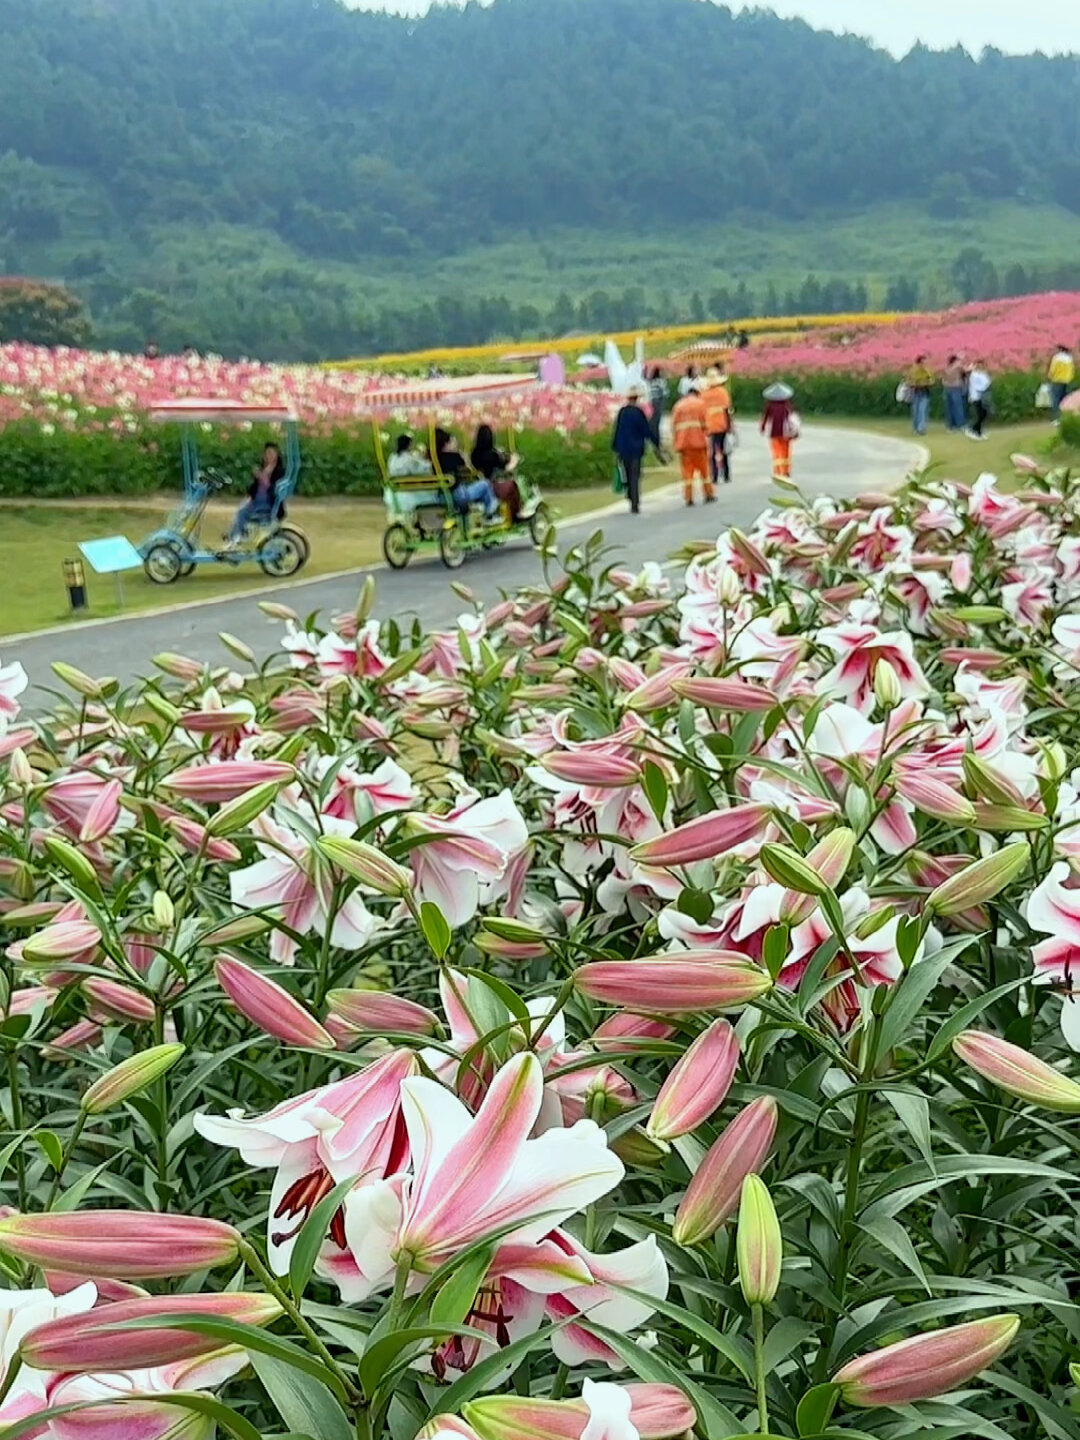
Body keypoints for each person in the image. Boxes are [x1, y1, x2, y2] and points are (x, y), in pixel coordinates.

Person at [433, 427, 497, 520]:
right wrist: (465, 458)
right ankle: (491, 513)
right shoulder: (454, 456)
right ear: (447, 444)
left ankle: (484, 512)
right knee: (485, 484)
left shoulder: (435, 458)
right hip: (458, 496)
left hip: (441, 496)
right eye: (452, 441)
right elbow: (470, 470)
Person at [227, 442, 285, 544]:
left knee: (242, 513)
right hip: (257, 501)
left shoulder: (279, 471)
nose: (268, 456)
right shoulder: (263, 469)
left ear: (277, 455)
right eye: (266, 454)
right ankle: (235, 534)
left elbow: (273, 489)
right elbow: (253, 488)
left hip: (267, 504)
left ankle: (235, 537)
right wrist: (250, 496)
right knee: (241, 508)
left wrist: (261, 477)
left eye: (271, 453)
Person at [671, 378, 714, 507]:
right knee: (704, 471)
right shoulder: (700, 404)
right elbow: (706, 425)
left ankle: (688, 497)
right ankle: (708, 494)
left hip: (684, 445)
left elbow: (673, 427)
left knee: (687, 473)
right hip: (699, 443)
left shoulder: (678, 406)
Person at [611, 385, 653, 515]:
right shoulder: (639, 413)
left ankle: (631, 496)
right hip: (636, 449)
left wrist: (615, 447)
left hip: (624, 449)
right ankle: (635, 502)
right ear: (636, 398)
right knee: (635, 475)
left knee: (628, 475)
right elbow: (646, 430)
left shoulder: (622, 412)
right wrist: (655, 441)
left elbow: (617, 430)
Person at [471, 423, 521, 521]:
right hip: (493, 485)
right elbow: (506, 469)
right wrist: (514, 461)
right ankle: (515, 514)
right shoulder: (492, 455)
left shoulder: (474, 454)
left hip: (480, 482)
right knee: (513, 486)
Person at [702, 368, 734, 486]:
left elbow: (701, 411)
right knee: (724, 449)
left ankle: (714, 475)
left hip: (709, 425)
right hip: (722, 424)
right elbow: (727, 410)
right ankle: (726, 474)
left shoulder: (703, 394)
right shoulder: (723, 392)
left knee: (712, 451)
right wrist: (730, 426)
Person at [760, 382, 797, 480]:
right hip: (786, 434)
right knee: (786, 453)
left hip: (774, 433)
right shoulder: (787, 406)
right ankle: (786, 471)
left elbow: (765, 418)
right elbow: (793, 419)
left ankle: (778, 472)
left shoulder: (769, 406)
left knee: (777, 452)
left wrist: (762, 427)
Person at [906, 355, 935, 436]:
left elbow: (932, 380)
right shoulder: (915, 370)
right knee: (917, 411)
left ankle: (919, 428)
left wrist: (926, 382)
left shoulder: (926, 370)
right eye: (923, 362)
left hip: (923, 392)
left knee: (920, 411)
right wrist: (919, 382)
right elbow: (909, 381)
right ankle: (917, 428)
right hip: (917, 392)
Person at [645, 365, 669, 461]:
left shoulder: (649, 382)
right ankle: (657, 442)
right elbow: (665, 393)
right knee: (657, 423)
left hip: (650, 403)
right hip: (658, 403)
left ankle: (653, 441)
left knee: (652, 423)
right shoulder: (661, 382)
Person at [966, 361, 993, 441]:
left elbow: (987, 382)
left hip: (982, 396)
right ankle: (973, 429)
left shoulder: (982, 374)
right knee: (980, 415)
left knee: (984, 413)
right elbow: (979, 386)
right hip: (976, 396)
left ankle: (978, 431)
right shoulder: (974, 375)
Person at [1048, 345, 1076, 420]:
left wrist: (1049, 377)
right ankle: (1066, 417)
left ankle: (1056, 418)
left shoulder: (1056, 358)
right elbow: (1072, 371)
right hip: (1067, 381)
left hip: (1057, 381)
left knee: (1056, 400)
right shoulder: (1069, 358)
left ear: (1060, 349)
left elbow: (1052, 370)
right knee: (1065, 401)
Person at [942, 354, 967, 432]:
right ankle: (960, 424)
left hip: (948, 388)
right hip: (956, 387)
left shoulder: (947, 368)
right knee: (958, 407)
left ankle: (951, 425)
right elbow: (966, 370)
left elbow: (943, 379)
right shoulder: (957, 366)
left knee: (950, 408)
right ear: (955, 360)